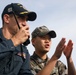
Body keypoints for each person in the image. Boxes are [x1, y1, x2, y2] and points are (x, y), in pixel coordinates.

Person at [0, 3, 37, 75]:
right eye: (21, 18)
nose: (26, 24)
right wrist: (15, 41)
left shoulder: (23, 50)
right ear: (7, 18)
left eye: (26, 20)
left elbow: (25, 72)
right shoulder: (16, 42)